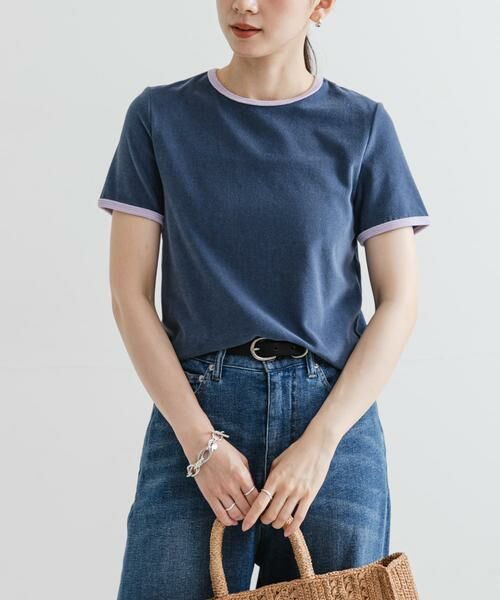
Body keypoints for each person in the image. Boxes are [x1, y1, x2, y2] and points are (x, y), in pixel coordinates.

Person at [97, 1, 431, 598]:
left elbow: (399, 302)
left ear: (321, 5)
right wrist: (201, 445)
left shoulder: (362, 125)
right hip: (197, 412)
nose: (244, 5)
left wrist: (320, 445)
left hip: (332, 421)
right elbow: (129, 296)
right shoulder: (159, 117)